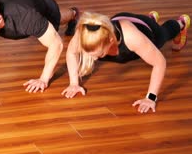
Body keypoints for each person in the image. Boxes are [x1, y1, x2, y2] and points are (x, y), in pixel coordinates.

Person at [62, 11, 190, 113]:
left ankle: (181, 23)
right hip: (124, 21)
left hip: (147, 31)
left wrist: (150, 98)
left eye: (99, 54)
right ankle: (151, 18)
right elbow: (71, 52)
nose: (95, 59)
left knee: (164, 33)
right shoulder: (84, 34)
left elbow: (160, 62)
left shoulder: (131, 38)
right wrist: (74, 83)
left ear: (111, 41)